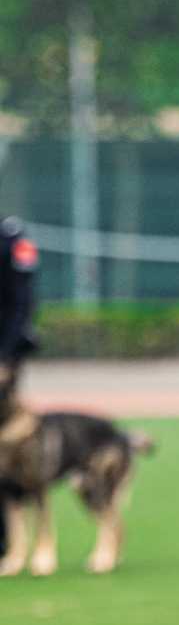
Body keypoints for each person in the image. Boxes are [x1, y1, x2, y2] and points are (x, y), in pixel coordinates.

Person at [0, 214, 39, 559]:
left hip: (4, 357)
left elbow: (21, 301)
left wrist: (6, 358)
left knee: (9, 447)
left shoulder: (10, 235)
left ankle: (10, 539)